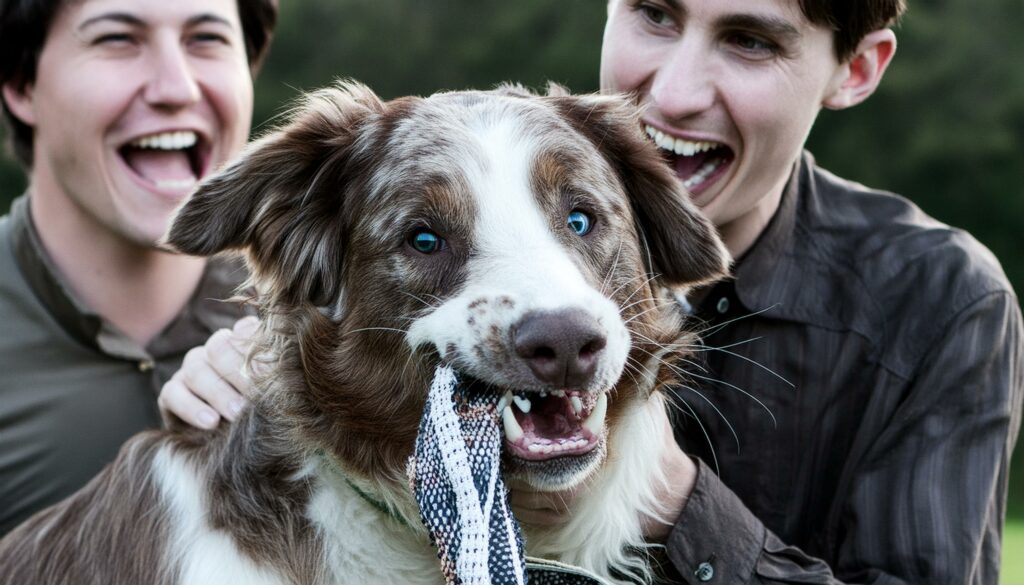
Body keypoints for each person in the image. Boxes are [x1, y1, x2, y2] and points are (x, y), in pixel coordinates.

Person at [159, 0, 1024, 582]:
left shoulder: (941, 306)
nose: (675, 95)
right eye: (653, 12)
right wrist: (259, 377)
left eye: (751, 41)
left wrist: (672, 503)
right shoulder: (468, 164)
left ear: (857, 69)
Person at [0, 0, 277, 535]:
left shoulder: (344, 323)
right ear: (21, 83)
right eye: (117, 39)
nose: (177, 88)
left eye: (206, 39)